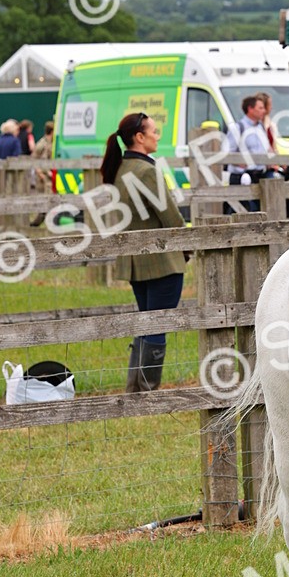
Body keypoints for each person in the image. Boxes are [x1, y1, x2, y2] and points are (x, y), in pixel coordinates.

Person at [100, 111, 187, 392]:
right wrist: (188, 246)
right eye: (154, 131)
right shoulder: (147, 171)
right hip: (161, 262)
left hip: (136, 263)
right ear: (139, 137)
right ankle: (147, 390)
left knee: (145, 324)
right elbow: (171, 218)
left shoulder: (122, 168)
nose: (156, 136)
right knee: (156, 326)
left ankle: (135, 387)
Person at [226, 94, 284, 212]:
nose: (264, 111)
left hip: (259, 175)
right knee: (242, 211)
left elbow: (267, 149)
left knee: (262, 210)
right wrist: (239, 162)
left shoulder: (261, 127)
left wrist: (273, 162)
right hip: (242, 178)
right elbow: (228, 153)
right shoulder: (238, 128)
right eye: (260, 108)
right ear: (250, 109)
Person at [30, 120, 54, 227]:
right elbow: (34, 160)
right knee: (44, 200)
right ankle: (36, 223)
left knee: (50, 198)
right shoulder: (41, 144)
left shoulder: (52, 143)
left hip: (49, 175)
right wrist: (39, 173)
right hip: (43, 177)